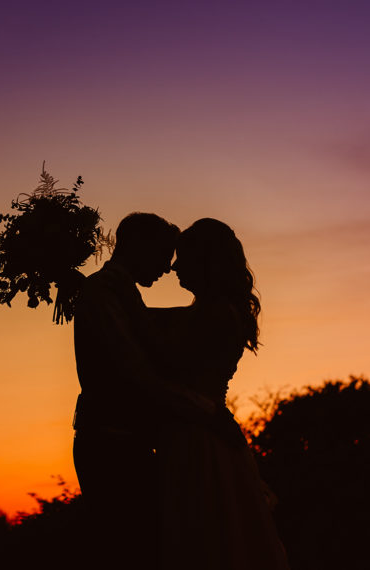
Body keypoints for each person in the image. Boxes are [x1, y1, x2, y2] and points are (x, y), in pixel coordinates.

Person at [72, 212, 236, 565]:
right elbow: (136, 372)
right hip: (109, 441)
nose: (168, 268)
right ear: (138, 246)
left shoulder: (123, 296)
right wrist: (210, 414)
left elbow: (159, 328)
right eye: (164, 254)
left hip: (130, 441)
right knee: (131, 549)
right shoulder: (104, 293)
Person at [146, 218, 290, 569]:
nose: (175, 265)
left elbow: (157, 349)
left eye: (184, 257)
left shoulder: (216, 315)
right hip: (193, 433)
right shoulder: (204, 312)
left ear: (206, 260)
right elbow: (147, 318)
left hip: (201, 439)